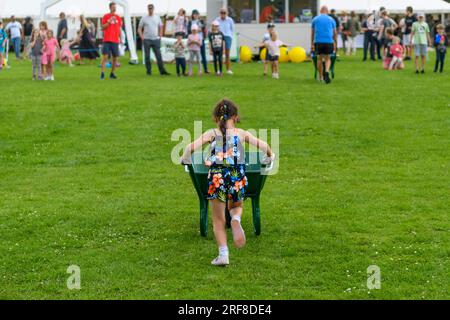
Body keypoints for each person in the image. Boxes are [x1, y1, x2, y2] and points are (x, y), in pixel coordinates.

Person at [181, 99, 274, 266]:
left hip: (217, 175)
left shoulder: (211, 134)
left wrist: (185, 158)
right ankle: (236, 219)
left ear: (216, 118)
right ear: (236, 117)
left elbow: (189, 148)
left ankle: (223, 254)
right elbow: (265, 145)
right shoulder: (242, 133)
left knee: (218, 220)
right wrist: (270, 155)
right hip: (237, 174)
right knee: (236, 206)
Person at [138, 3, 170, 76]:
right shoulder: (144, 18)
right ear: (147, 9)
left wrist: (160, 35)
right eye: (149, 8)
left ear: (153, 9)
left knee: (158, 55)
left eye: (151, 8)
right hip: (146, 39)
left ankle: (162, 71)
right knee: (147, 57)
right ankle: (149, 71)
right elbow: (139, 28)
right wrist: (141, 36)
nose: (150, 10)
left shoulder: (157, 17)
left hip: (155, 39)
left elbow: (161, 26)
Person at [311, 6, 337, 84]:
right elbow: (335, 33)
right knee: (328, 58)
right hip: (328, 41)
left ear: (320, 11)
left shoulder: (315, 19)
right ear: (327, 11)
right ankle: (326, 71)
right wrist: (335, 42)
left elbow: (312, 33)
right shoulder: (332, 19)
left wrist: (312, 43)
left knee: (319, 58)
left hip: (318, 41)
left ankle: (321, 77)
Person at [100, 2, 122, 80]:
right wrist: (109, 21)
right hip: (107, 39)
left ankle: (112, 73)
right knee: (105, 56)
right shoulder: (106, 16)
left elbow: (119, 29)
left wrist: (121, 39)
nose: (114, 8)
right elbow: (102, 28)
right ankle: (102, 72)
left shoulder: (118, 17)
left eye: (115, 7)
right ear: (110, 8)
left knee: (115, 58)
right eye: (113, 7)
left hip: (115, 40)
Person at [187, 9, 209, 74]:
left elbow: (204, 27)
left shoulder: (201, 21)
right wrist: (196, 30)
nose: (196, 15)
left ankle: (205, 69)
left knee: (203, 55)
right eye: (194, 14)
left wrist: (199, 29)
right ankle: (190, 70)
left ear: (198, 15)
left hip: (200, 40)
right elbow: (188, 30)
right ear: (192, 15)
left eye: (197, 14)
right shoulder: (190, 22)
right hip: (193, 41)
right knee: (192, 57)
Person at [215, 8, 235, 75]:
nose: (223, 14)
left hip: (227, 37)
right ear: (220, 13)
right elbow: (214, 28)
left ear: (227, 13)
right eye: (221, 12)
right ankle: (219, 70)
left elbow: (232, 29)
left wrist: (230, 37)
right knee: (219, 54)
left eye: (224, 12)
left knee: (227, 54)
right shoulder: (217, 20)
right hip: (219, 37)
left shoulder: (230, 20)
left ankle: (228, 69)